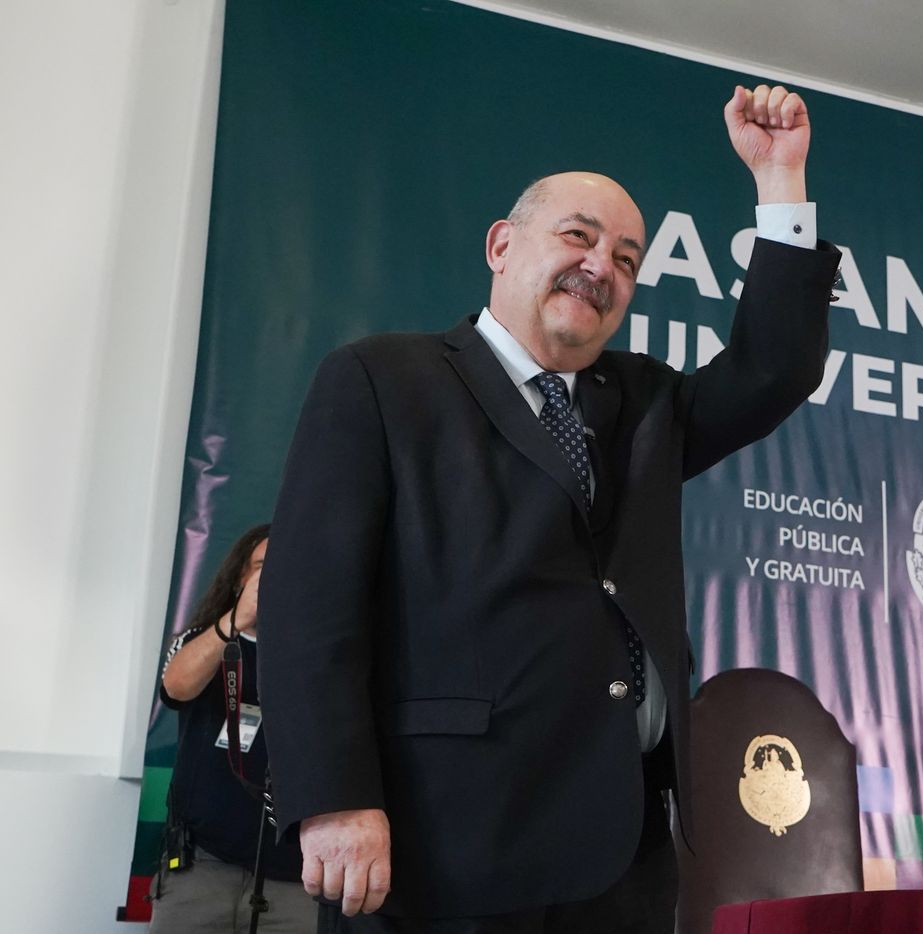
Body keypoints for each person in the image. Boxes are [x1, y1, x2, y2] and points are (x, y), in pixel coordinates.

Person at [257, 85, 841, 933]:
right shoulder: (383, 380)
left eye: (629, 258)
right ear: (502, 244)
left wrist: (780, 181)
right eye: (579, 235)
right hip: (441, 843)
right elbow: (311, 605)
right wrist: (335, 799)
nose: (602, 265)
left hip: (620, 855)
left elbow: (775, 370)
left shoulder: (645, 403)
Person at [152, 523, 317, 933]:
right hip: (203, 867)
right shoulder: (203, 639)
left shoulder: (323, 653)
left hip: (295, 876)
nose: (276, 577)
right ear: (240, 577)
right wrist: (237, 620)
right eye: (263, 567)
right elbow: (175, 687)